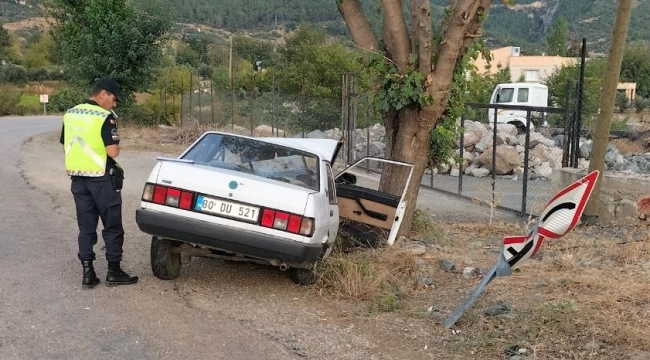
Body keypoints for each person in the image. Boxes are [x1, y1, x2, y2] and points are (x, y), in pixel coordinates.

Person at [60, 78, 138, 289]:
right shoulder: (104, 117)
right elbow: (112, 151)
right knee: (112, 226)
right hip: (102, 179)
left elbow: (65, 144)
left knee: (86, 227)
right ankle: (114, 272)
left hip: (78, 178)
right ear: (103, 94)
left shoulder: (71, 114)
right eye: (113, 99)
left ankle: (88, 273)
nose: (114, 104)